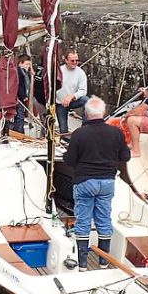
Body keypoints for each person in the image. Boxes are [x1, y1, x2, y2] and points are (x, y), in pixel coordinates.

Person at [61, 97, 131, 270]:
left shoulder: (79, 134)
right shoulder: (116, 133)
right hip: (107, 182)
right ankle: (103, 262)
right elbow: (125, 157)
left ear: (85, 113)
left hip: (85, 181)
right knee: (104, 219)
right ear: (104, 112)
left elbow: (69, 160)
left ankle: (83, 264)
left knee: (83, 220)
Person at [54, 49, 88, 134]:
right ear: (66, 60)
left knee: (87, 100)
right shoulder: (59, 71)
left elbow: (83, 90)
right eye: (72, 61)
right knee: (63, 131)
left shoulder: (80, 73)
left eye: (77, 60)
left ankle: (85, 127)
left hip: (73, 101)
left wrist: (72, 96)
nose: (75, 62)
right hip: (60, 103)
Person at [12, 54, 35, 134]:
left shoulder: (25, 72)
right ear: (20, 63)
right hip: (19, 97)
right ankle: (19, 131)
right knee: (19, 115)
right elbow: (18, 85)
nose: (28, 66)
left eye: (29, 65)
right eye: (27, 64)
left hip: (23, 96)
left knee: (20, 114)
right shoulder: (18, 72)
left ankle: (19, 130)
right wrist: (23, 96)